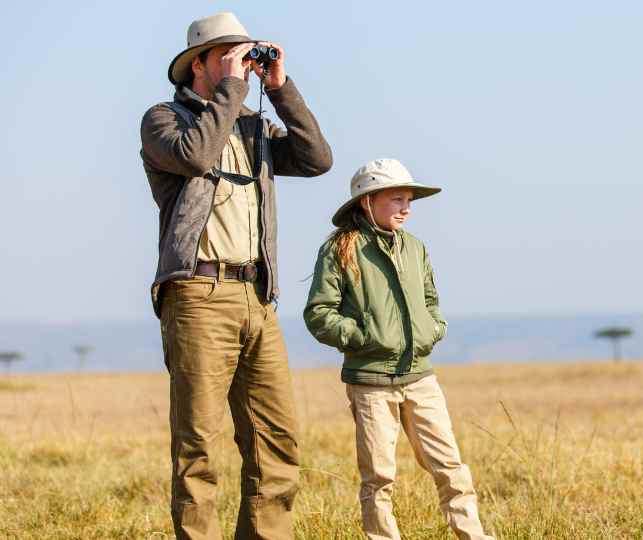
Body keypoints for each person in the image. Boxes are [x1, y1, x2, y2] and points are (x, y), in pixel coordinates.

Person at [139, 12, 332, 539]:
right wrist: (230, 87)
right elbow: (197, 155)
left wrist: (281, 88)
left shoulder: (253, 126)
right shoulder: (163, 121)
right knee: (199, 444)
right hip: (198, 293)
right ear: (196, 63)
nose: (239, 62)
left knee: (277, 440)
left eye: (242, 53)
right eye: (226, 53)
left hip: (256, 296)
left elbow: (317, 159)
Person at [303, 158, 495, 540]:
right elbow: (318, 313)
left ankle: (473, 536)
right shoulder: (340, 250)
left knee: (450, 464)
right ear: (366, 202)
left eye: (409, 200)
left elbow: (430, 299)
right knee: (378, 475)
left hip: (420, 377)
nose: (406, 208)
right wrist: (364, 336)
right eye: (396, 199)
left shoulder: (415, 248)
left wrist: (433, 329)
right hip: (370, 382)